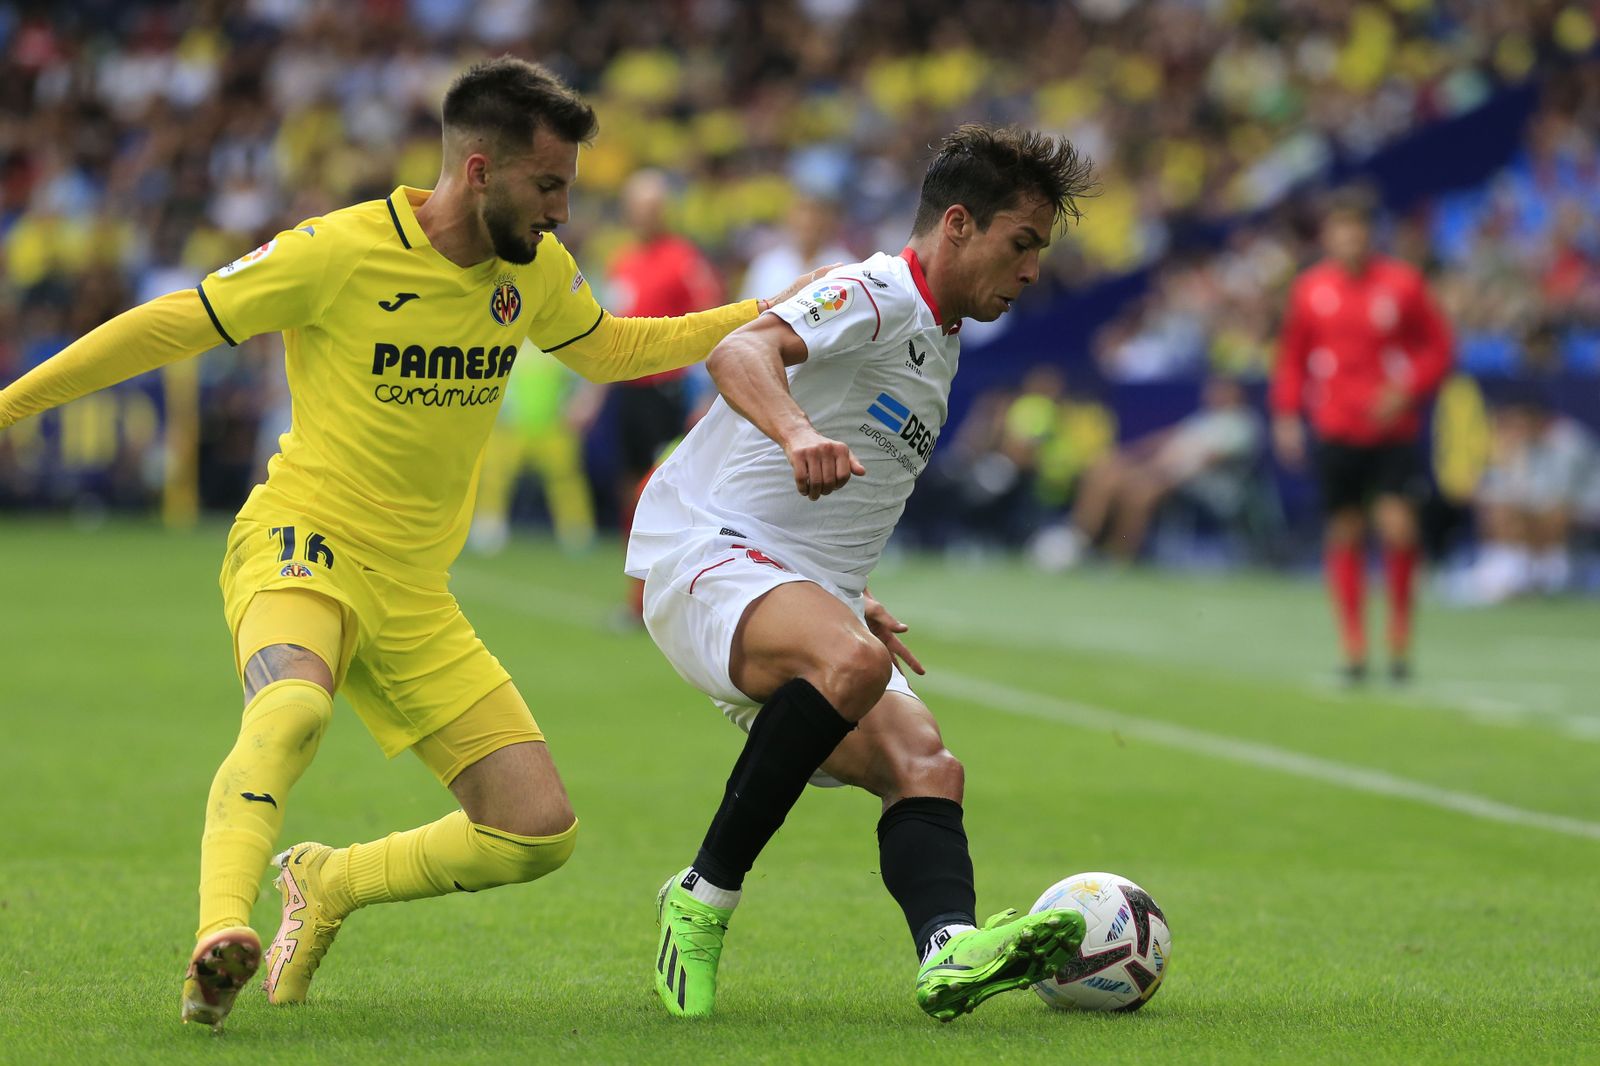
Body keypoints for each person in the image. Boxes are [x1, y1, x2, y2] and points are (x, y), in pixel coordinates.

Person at [0, 57, 825, 1032]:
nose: (561, 209)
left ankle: (331, 879)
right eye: (547, 184)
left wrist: (777, 315)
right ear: (479, 170)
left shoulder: (533, 274)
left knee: (535, 831)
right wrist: (10, 404)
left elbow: (615, 350)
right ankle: (221, 932)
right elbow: (171, 326)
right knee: (294, 705)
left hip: (412, 589)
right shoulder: (337, 251)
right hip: (298, 540)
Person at [625, 124, 1099, 1022]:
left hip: (790, 580)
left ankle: (947, 951)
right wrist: (797, 434)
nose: (1032, 269)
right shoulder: (878, 291)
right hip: (709, 555)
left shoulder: (943, 335)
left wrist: (846, 594)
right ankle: (702, 893)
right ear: (957, 224)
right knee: (849, 663)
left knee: (928, 766)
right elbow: (738, 352)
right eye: (1022, 243)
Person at [1270, 190, 1453, 683]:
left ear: (1371, 233)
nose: (1350, 237)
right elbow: (1292, 357)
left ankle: (1398, 639)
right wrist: (1286, 416)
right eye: (1340, 227)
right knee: (1345, 530)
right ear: (1328, 235)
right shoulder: (1310, 289)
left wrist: (1407, 389)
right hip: (1335, 426)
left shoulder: (1403, 284)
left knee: (1398, 527)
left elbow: (1438, 348)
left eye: (1358, 227)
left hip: (1392, 428)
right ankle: (1352, 647)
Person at [597, 169, 727, 620]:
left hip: (668, 392)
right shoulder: (621, 261)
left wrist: (706, 394)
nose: (643, 215)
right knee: (627, 494)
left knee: (667, 496)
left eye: (651, 207)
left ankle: (679, 599)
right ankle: (639, 599)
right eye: (636, 207)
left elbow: (713, 322)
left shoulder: (684, 260)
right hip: (626, 392)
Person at [1049, 376, 1261, 565]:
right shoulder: (1201, 420)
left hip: (1205, 486)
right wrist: (1128, 458)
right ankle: (1080, 539)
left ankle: (1119, 557)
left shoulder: (1243, 423)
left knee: (1140, 493)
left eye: (1221, 389)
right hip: (1164, 474)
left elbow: (1208, 462)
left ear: (1236, 393)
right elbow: (1162, 440)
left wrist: (1155, 471)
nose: (1213, 394)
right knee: (1105, 473)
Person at [1456, 390, 1600, 602]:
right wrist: (1509, 463)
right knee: (1499, 508)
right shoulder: (1518, 445)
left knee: (1548, 510)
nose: (1513, 429)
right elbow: (1487, 492)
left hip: (1586, 509)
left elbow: (1556, 495)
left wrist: (1513, 476)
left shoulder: (1568, 443)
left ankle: (1551, 571)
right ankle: (1506, 568)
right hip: (1548, 506)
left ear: (1536, 420)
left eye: (1518, 423)